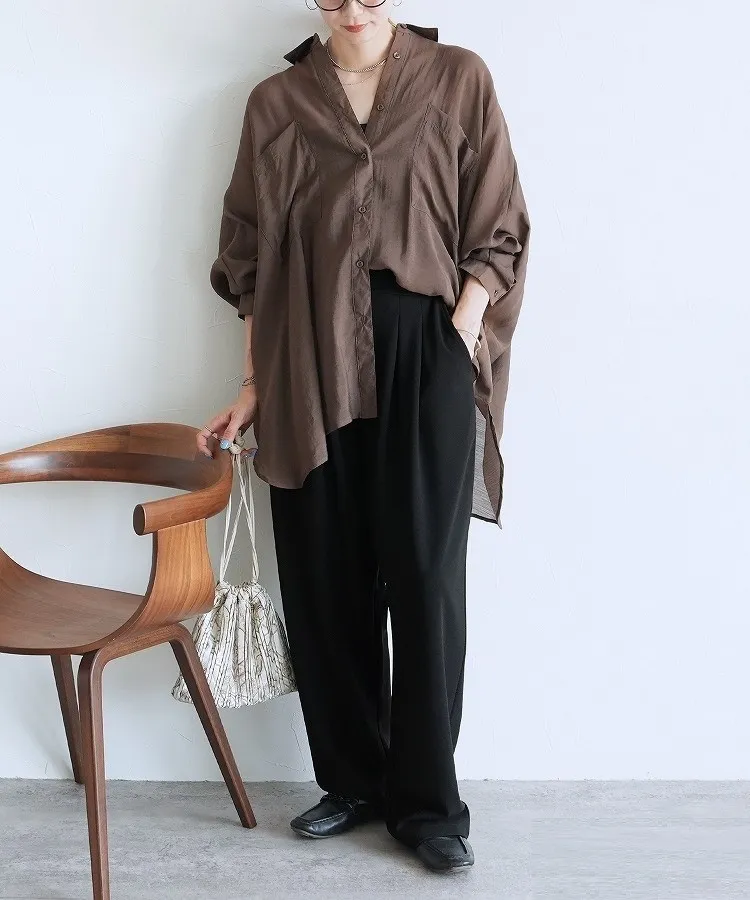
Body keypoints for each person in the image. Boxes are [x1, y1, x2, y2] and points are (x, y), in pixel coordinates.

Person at [198, 0, 530, 874]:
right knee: (324, 573)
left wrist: (458, 330)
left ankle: (428, 805)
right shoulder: (277, 102)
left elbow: (500, 223)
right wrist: (252, 387)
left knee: (425, 578)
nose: (352, 10)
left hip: (424, 342)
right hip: (307, 351)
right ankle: (350, 782)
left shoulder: (458, 78)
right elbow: (249, 258)